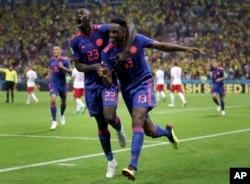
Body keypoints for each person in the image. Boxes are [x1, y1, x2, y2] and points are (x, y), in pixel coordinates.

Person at [97, 17, 204, 181]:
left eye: (115, 32)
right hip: (127, 90)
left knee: (137, 117)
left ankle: (132, 166)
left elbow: (160, 45)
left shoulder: (137, 40)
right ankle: (167, 132)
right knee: (150, 131)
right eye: (109, 32)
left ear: (124, 32)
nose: (110, 35)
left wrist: (185, 49)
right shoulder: (107, 52)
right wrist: (104, 75)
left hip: (143, 83)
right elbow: (109, 82)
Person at [70, 6, 134, 179]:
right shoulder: (75, 41)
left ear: (90, 17)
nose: (79, 16)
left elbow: (130, 27)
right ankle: (111, 161)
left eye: (82, 13)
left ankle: (119, 128)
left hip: (108, 81)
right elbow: (78, 66)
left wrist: (126, 50)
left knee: (109, 116)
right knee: (101, 124)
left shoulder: (103, 29)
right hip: (91, 86)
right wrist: (95, 66)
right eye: (77, 14)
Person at [45, 45, 72, 130]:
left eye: (57, 49)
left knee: (63, 102)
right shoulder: (51, 60)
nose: (55, 51)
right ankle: (54, 121)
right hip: (54, 83)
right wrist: (48, 75)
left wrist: (63, 67)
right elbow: (49, 67)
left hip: (62, 84)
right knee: (53, 99)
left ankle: (62, 114)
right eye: (53, 49)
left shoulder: (65, 60)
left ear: (60, 51)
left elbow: (71, 72)